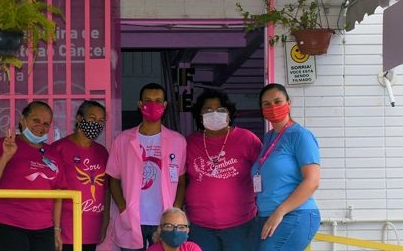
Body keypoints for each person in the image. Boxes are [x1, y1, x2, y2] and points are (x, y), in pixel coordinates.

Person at [107, 83, 188, 251]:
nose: (153, 105)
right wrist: (123, 207)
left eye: (158, 101)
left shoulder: (178, 141)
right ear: (139, 104)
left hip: (164, 220)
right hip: (132, 218)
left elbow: (181, 181)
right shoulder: (122, 140)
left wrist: (176, 209)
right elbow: (113, 179)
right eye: (148, 100)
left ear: (165, 105)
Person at [185, 89, 263, 251]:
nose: (214, 114)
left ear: (229, 114)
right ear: (199, 115)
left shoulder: (246, 139)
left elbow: (264, 173)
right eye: (207, 110)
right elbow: (177, 179)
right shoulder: (190, 142)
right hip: (200, 227)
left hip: (241, 226)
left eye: (220, 110)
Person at [0, 101, 61, 251]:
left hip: (44, 230)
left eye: (46, 123)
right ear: (23, 120)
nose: (41, 126)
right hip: (8, 225)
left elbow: (58, 196)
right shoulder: (4, 145)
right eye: (36, 120)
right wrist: (6, 156)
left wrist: (56, 230)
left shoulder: (53, 154)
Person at [250, 84, 321, 251]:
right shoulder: (269, 137)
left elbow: (312, 181)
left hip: (294, 213)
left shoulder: (300, 135)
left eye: (277, 101)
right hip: (267, 214)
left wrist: (280, 212)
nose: (273, 107)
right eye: (266, 104)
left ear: (288, 103)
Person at [51, 100, 110, 251]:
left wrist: (104, 223)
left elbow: (106, 190)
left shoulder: (102, 152)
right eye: (92, 118)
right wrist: (56, 229)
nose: (96, 124)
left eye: (101, 121)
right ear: (79, 118)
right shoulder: (59, 148)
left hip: (92, 228)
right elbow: (52, 191)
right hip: (65, 230)